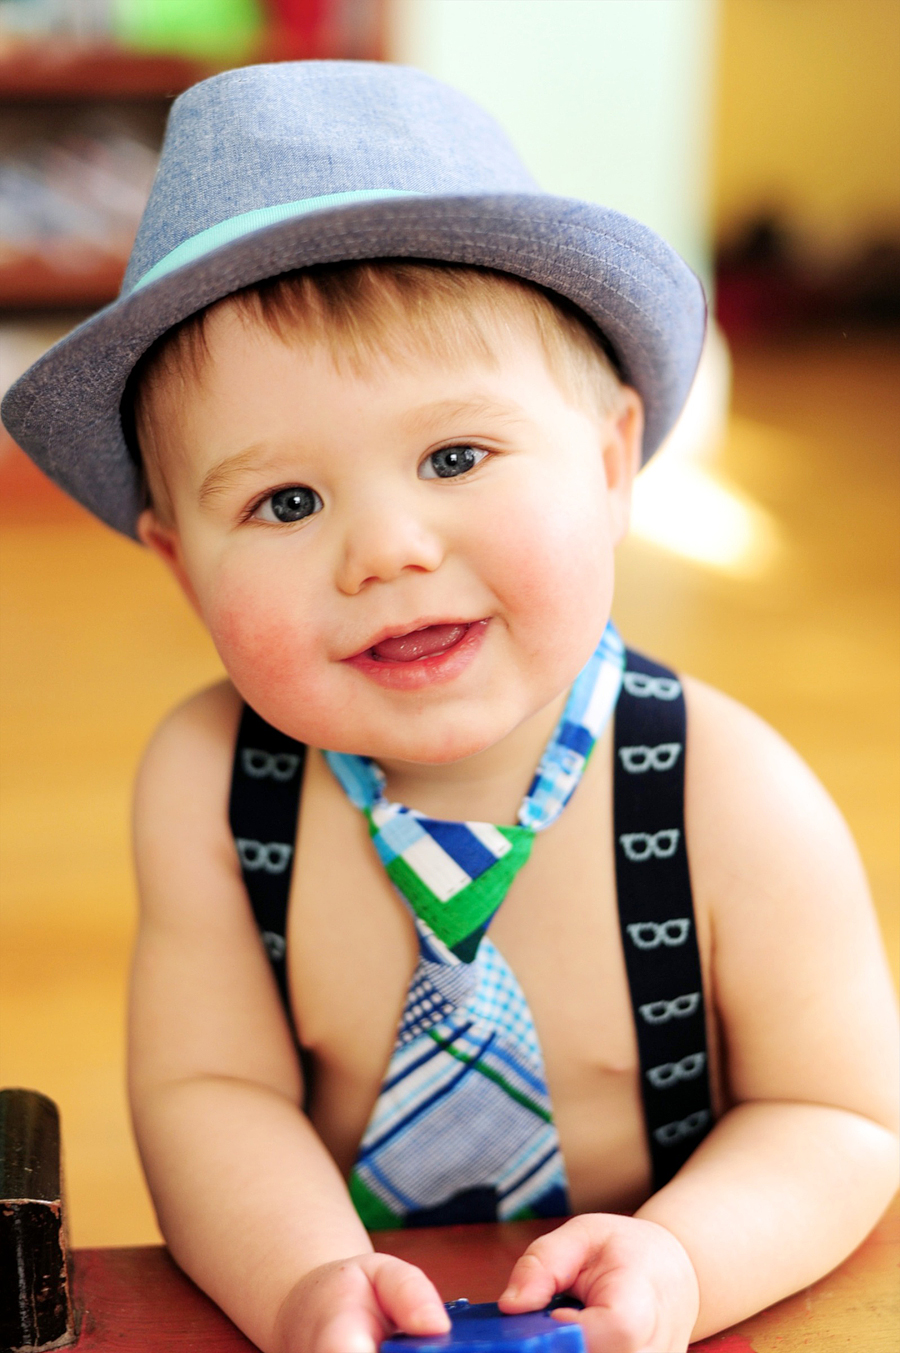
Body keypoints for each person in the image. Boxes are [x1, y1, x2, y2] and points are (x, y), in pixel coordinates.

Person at [3, 62, 897, 1353]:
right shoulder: (210, 780)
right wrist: (305, 1279)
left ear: (606, 464)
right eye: (287, 502)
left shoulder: (724, 786)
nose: (387, 550)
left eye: (456, 456)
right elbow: (213, 1092)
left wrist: (687, 1260)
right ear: (178, 564)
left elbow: (840, 1115)